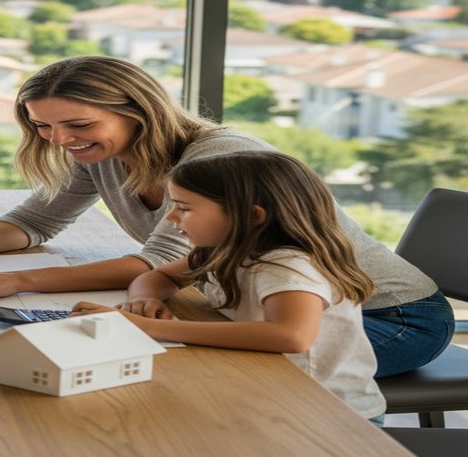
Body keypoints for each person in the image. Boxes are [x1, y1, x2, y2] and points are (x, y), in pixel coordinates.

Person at [0, 56, 453, 377]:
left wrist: (14, 281)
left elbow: (156, 259)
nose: (59, 140)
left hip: (392, 316)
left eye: (78, 125)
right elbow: (36, 221)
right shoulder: (102, 154)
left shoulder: (218, 161)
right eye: (43, 127)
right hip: (264, 302)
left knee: (182, 366)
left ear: (138, 112)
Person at [71, 151, 386, 424]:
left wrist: (148, 327)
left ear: (251, 216)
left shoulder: (288, 266)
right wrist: (145, 299)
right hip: (270, 387)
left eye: (184, 208)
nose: (170, 217)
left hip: (328, 413)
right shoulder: (224, 248)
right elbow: (160, 276)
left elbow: (292, 336)